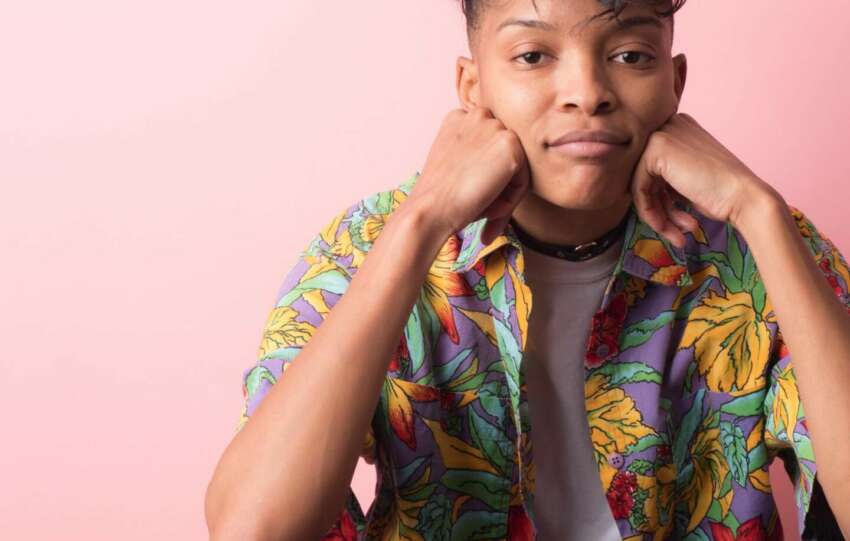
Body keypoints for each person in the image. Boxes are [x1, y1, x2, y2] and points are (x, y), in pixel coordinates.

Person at [204, 0, 850, 539]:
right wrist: (422, 223)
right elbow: (253, 528)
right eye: (534, 55)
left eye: (631, 55)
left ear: (675, 81)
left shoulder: (762, 246)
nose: (587, 94)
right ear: (472, 87)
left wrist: (757, 209)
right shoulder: (368, 245)